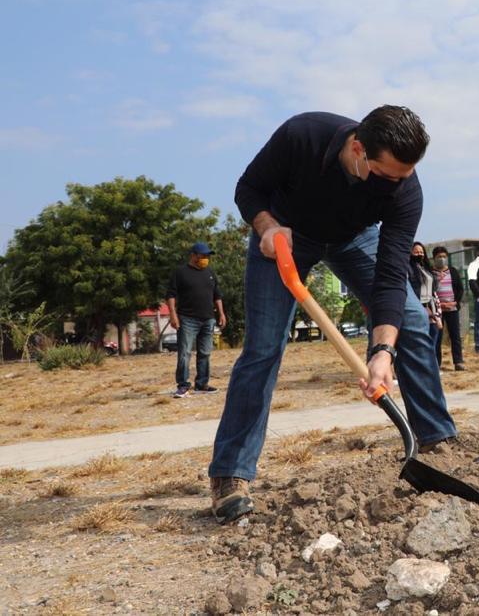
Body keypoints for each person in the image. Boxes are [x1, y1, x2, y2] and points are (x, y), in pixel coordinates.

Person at [207, 106, 459, 524]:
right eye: (388, 175)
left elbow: (390, 275)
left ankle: (437, 440)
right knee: (264, 348)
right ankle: (230, 474)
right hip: (285, 235)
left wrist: (382, 352)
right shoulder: (302, 135)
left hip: (354, 238)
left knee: (413, 322)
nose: (399, 184)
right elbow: (248, 188)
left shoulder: (405, 189)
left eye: (407, 175)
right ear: (358, 149)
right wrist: (267, 227)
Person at [167, 242, 227, 398]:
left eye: (208, 256)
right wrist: (173, 315)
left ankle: (201, 384)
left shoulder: (210, 272)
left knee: (205, 353)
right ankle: (183, 386)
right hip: (187, 319)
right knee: (185, 353)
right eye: (203, 255)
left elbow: (217, 295)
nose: (206, 258)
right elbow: (171, 295)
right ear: (193, 255)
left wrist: (221, 313)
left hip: (208, 319)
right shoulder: (180, 272)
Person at [432, 246, 466, 370]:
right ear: (434, 258)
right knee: (437, 337)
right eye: (439, 257)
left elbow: (460, 288)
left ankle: (458, 361)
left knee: (455, 336)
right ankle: (436, 363)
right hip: (437, 310)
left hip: (452, 309)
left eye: (444, 256)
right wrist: (439, 304)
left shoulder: (453, 271)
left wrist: (455, 302)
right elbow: (429, 291)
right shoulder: (430, 272)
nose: (442, 259)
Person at [409, 242, 442, 350]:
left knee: (433, 339)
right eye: (416, 252)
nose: (419, 254)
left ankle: (433, 360)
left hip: (431, 307)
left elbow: (433, 291)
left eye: (421, 252)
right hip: (418, 307)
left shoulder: (426, 269)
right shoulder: (408, 269)